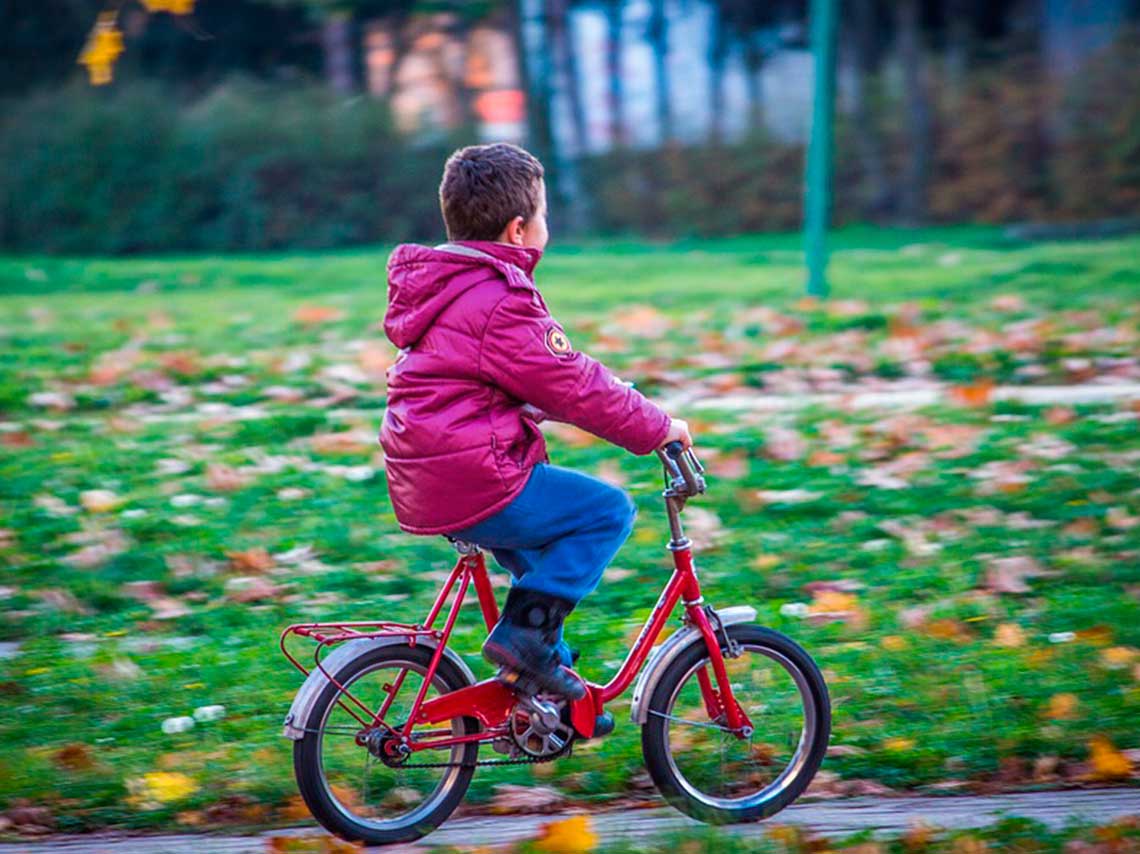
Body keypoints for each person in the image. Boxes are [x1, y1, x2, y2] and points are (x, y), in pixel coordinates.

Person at [379, 142, 691, 702]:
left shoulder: (443, 290)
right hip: (479, 476)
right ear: (519, 230)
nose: (548, 227)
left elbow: (488, 379)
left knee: (539, 573)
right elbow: (572, 383)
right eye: (544, 215)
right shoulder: (502, 299)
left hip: (428, 477)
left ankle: (545, 686)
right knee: (605, 511)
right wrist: (656, 426)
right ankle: (525, 646)